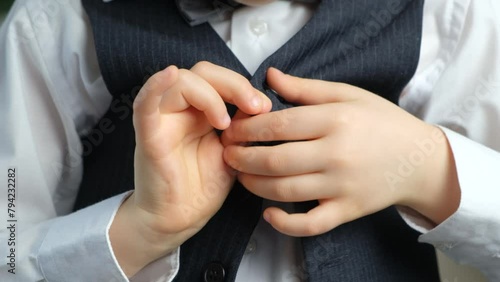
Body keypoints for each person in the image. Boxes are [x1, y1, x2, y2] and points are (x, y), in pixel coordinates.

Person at [0, 0, 499, 281]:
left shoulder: (450, 16)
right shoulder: (55, 25)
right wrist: (136, 233)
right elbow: (8, 248)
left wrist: (428, 169)